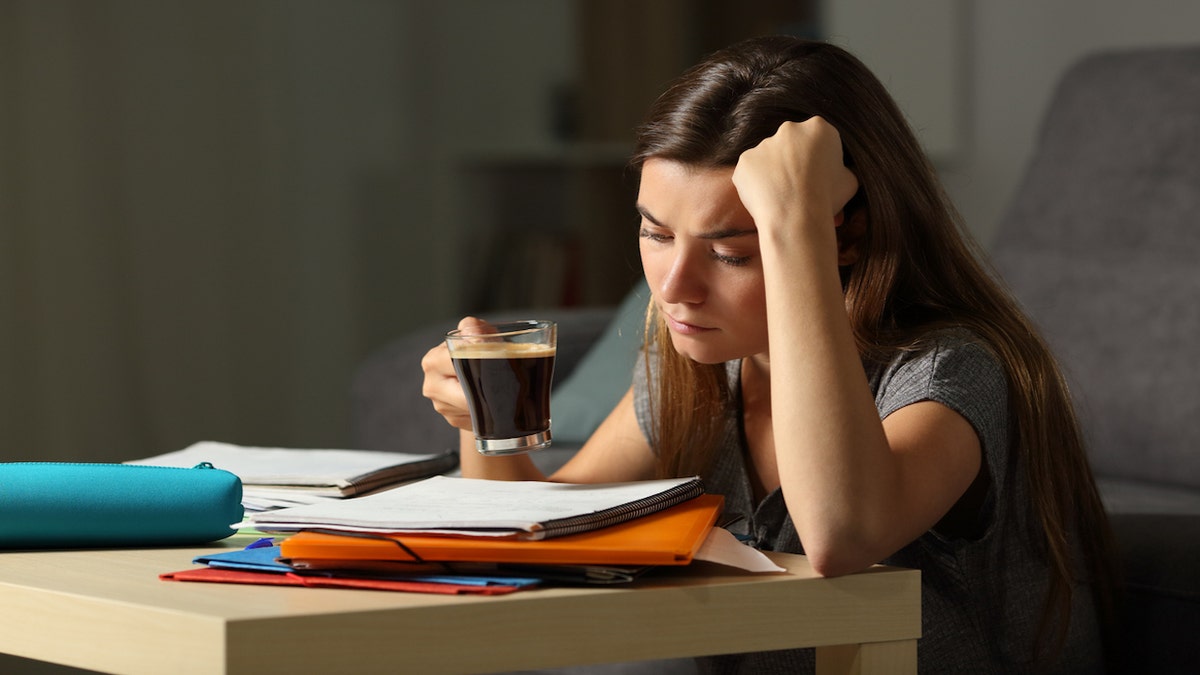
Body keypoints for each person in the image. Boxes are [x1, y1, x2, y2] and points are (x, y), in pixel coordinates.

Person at [423, 36, 1116, 673]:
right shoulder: (699, 371)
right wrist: (481, 418)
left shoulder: (949, 370)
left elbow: (843, 534)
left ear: (842, 240)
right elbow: (542, 533)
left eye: (732, 252)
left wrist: (795, 222)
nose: (672, 288)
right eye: (656, 233)